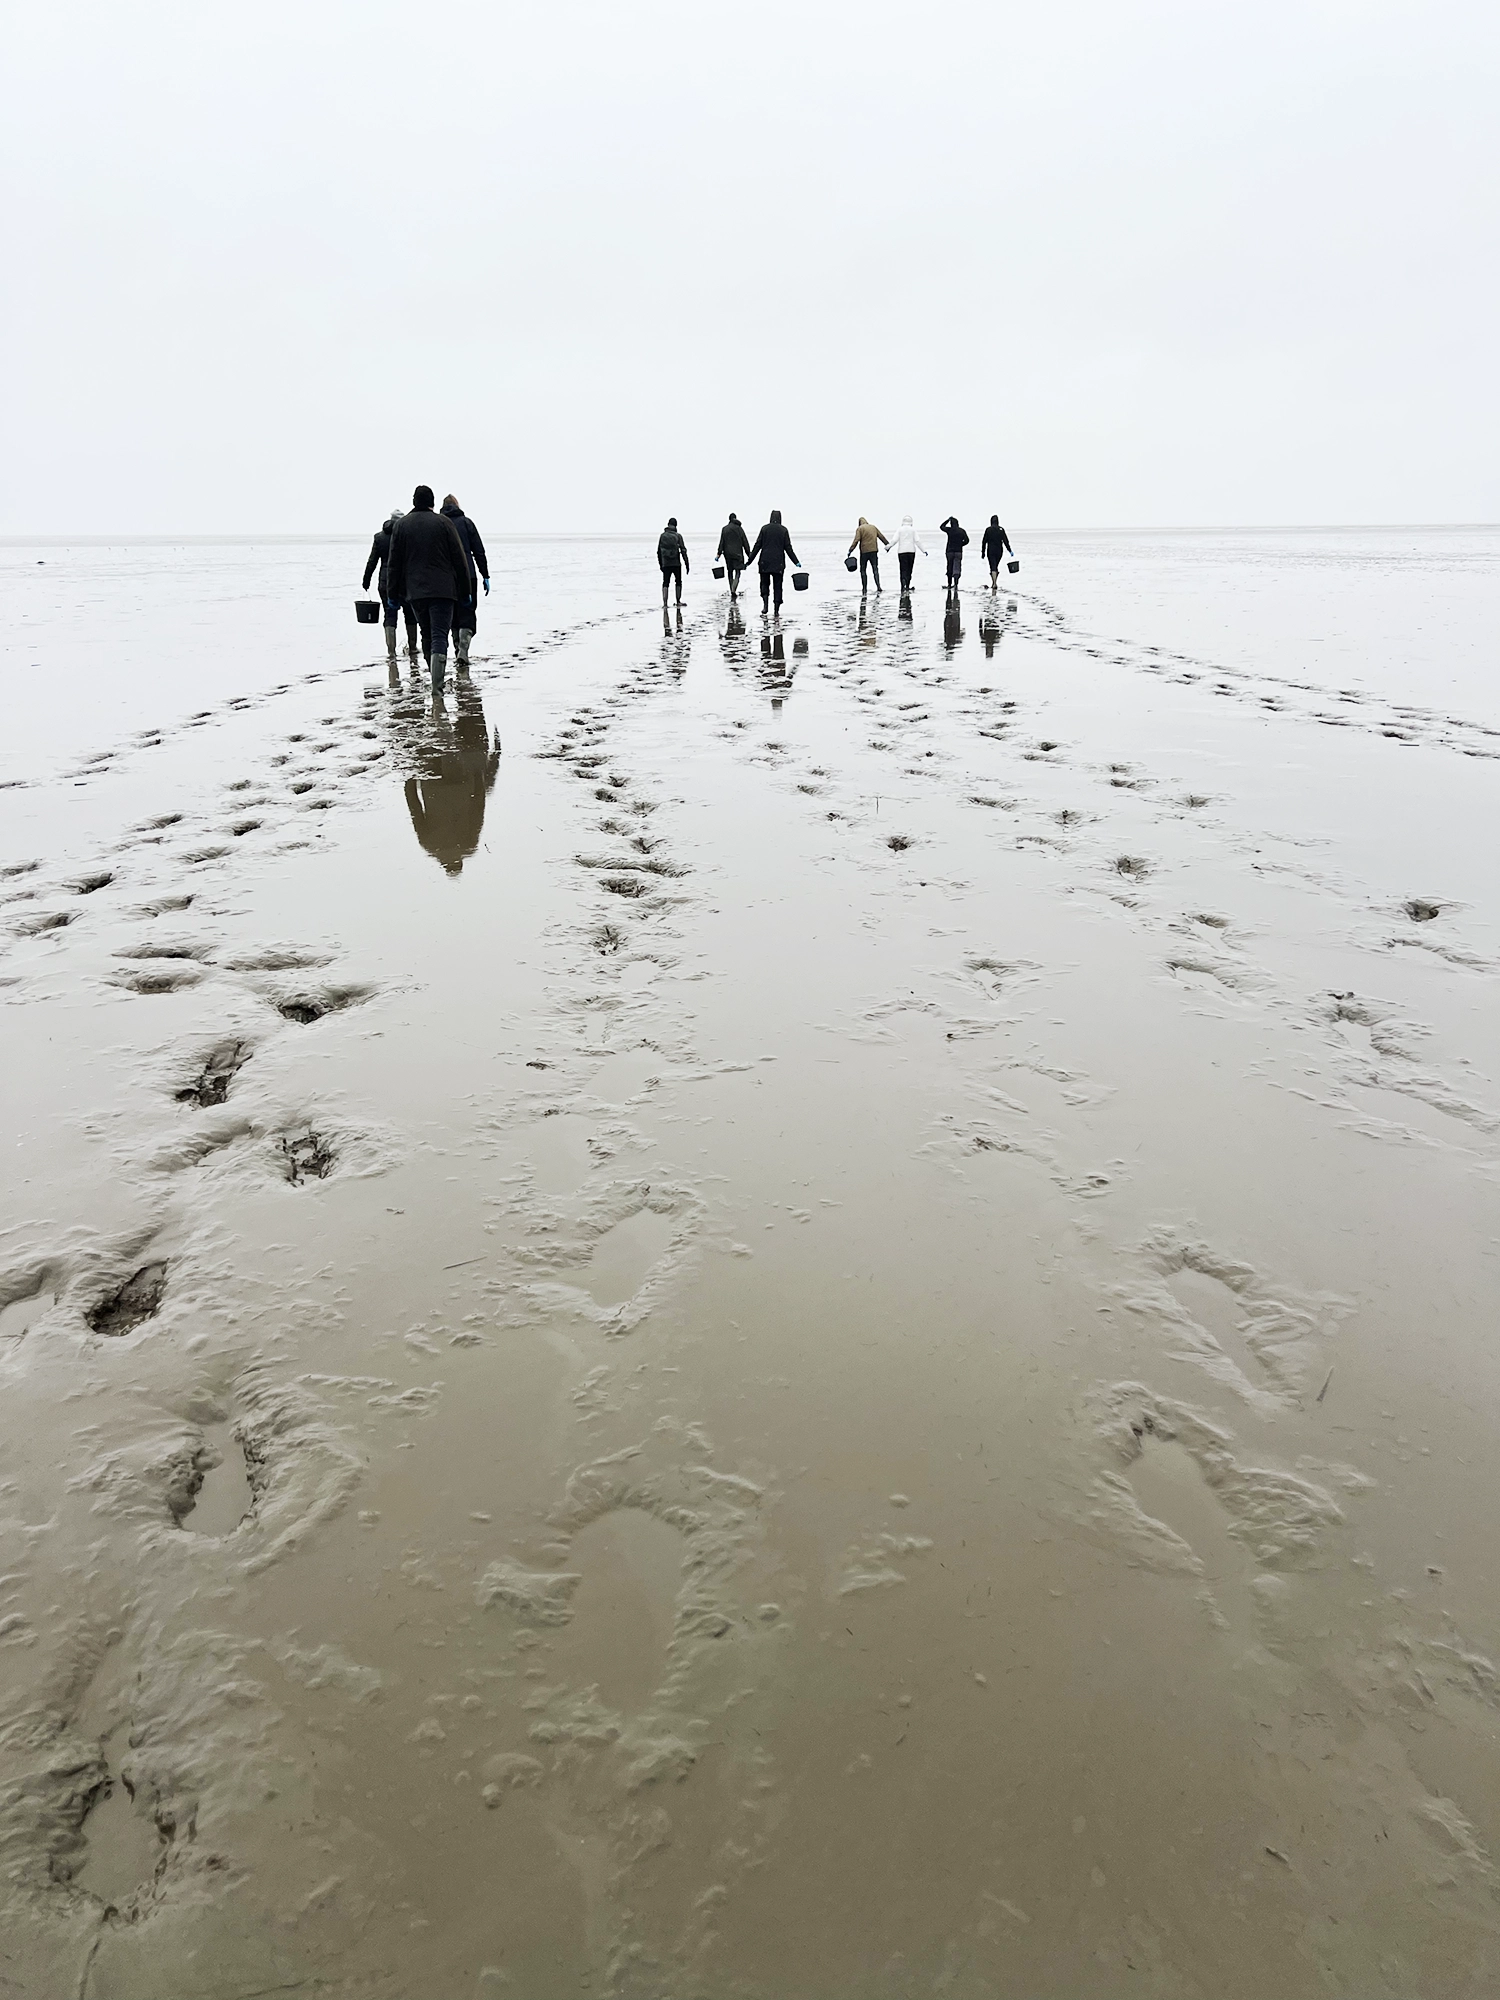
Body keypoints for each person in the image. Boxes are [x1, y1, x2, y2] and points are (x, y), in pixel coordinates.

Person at [386, 484, 473, 692]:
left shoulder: (402, 526)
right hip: (444, 591)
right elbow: (459, 559)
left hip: (415, 592)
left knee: (426, 633)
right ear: (432, 503)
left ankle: (434, 681)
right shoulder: (444, 523)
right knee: (439, 635)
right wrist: (465, 590)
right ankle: (437, 686)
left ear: (414, 501)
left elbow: (394, 564)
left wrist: (392, 594)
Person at [362, 509, 419, 663]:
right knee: (410, 615)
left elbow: (372, 561)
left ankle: (391, 653)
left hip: (385, 582)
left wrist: (366, 580)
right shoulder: (408, 536)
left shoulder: (379, 537)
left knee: (390, 615)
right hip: (406, 582)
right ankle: (413, 648)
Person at [440, 494, 490, 667]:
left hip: (447, 577)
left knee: (452, 615)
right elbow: (479, 551)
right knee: (468, 612)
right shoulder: (467, 523)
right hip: (468, 574)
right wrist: (485, 575)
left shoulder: (440, 524)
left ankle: (457, 651)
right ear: (457, 505)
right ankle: (463, 649)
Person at [747, 509, 800, 614]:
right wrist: (796, 561)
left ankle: (765, 606)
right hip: (778, 562)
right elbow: (788, 548)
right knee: (778, 585)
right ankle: (776, 610)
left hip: (764, 562)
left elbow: (757, 546)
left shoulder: (764, 529)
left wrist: (749, 561)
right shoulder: (783, 530)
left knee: (764, 584)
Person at [847, 517, 890, 594]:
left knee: (863, 570)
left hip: (864, 552)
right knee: (875, 569)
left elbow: (856, 540)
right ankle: (878, 587)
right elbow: (881, 536)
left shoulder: (860, 529)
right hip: (874, 551)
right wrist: (887, 545)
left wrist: (850, 550)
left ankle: (864, 588)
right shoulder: (873, 527)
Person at [716, 513, 751, 599]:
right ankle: (733, 589)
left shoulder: (724, 529)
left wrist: (718, 554)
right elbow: (745, 542)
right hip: (738, 554)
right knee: (738, 572)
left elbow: (722, 542)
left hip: (727, 555)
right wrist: (749, 554)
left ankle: (732, 589)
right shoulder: (739, 529)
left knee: (730, 572)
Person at [657, 517, 689, 607]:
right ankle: (678, 601)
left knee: (665, 582)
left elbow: (658, 551)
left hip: (666, 563)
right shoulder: (678, 536)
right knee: (678, 581)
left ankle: (665, 603)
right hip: (676, 563)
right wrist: (687, 563)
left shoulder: (662, 536)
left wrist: (661, 564)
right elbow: (683, 550)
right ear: (676, 525)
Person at [892, 516, 926, 592]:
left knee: (902, 569)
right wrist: (924, 550)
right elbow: (917, 541)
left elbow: (894, 540)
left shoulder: (899, 530)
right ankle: (907, 585)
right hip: (911, 551)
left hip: (901, 552)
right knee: (909, 569)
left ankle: (902, 586)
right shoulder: (913, 530)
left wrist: (888, 547)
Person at [939, 516, 969, 592]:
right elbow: (967, 540)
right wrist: (960, 544)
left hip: (949, 551)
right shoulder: (962, 531)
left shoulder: (950, 530)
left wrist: (947, 520)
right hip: (958, 551)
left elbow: (941, 527)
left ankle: (949, 584)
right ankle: (956, 584)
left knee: (949, 567)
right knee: (957, 568)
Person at [981, 516, 1014, 586]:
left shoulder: (988, 530)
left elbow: (984, 542)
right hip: (999, 551)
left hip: (991, 550)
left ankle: (994, 583)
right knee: (995, 566)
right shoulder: (1001, 529)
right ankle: (994, 582)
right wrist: (1010, 550)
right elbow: (1006, 541)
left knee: (993, 566)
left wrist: (983, 552)